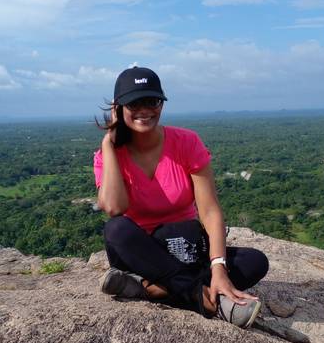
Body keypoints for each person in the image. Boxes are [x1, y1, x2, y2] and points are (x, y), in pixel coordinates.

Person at [93, 66, 269, 328]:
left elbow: (209, 211)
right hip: (143, 256)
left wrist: (219, 267)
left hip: (187, 247)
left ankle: (150, 290)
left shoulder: (186, 142)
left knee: (255, 261)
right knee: (116, 229)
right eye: (134, 103)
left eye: (151, 101)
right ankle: (206, 299)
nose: (144, 109)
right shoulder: (108, 156)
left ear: (161, 105)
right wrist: (108, 145)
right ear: (118, 108)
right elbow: (114, 208)